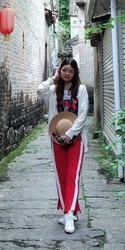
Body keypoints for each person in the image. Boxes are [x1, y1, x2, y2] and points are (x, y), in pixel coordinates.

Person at [37, 58, 89, 234]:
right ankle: (68, 210)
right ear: (60, 71)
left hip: (76, 139)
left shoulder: (81, 90)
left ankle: (69, 213)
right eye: (64, 70)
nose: (67, 74)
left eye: (71, 71)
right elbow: (40, 90)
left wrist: (71, 133)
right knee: (61, 176)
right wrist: (53, 78)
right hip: (57, 138)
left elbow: (83, 114)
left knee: (73, 175)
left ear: (75, 73)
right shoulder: (53, 91)